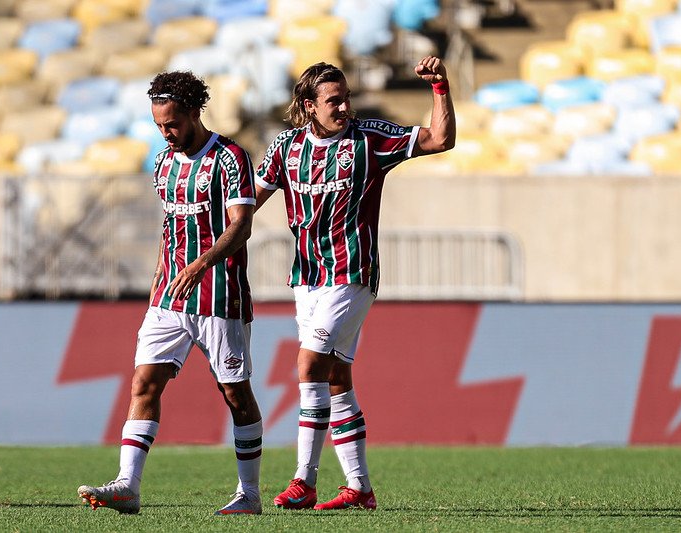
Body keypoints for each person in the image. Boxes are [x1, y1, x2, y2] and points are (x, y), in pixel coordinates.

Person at [254, 56, 456, 511]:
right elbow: (248, 200)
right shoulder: (286, 148)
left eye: (345, 98)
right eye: (333, 101)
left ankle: (303, 480)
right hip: (306, 279)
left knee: (308, 368)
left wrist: (440, 87)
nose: (343, 107)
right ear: (308, 106)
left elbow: (440, 139)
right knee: (337, 378)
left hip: (352, 274)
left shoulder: (370, 139)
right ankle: (359, 487)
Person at [78, 71, 263, 516]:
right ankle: (128, 484)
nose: (166, 132)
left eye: (173, 123)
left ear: (194, 112)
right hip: (168, 298)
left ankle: (249, 494)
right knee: (145, 381)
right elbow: (170, 227)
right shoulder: (162, 163)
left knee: (235, 393)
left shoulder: (230, 157)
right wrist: (160, 277)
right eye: (159, 125)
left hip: (219, 295)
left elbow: (242, 224)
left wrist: (200, 265)